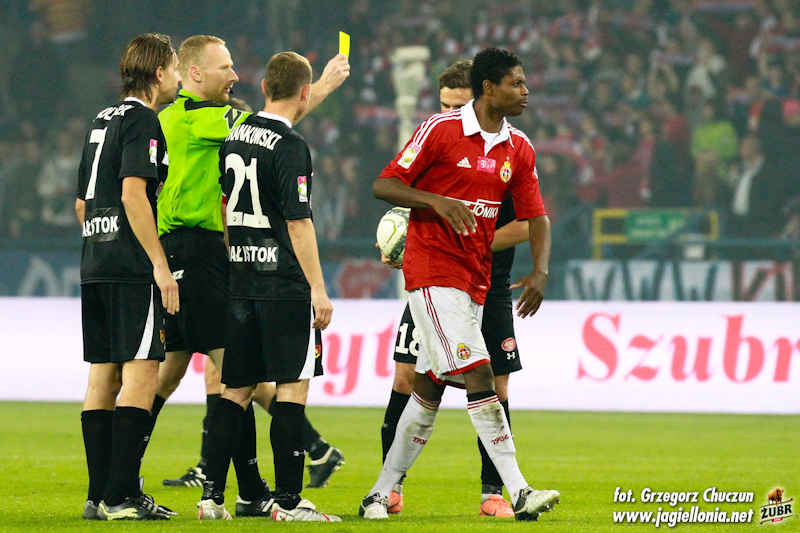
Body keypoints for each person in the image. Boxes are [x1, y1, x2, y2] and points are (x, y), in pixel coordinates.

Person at [136, 35, 348, 516]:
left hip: (200, 256)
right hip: (210, 256)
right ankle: (274, 487)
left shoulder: (171, 119)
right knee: (241, 375)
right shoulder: (208, 120)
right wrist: (323, 86)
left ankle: (207, 488)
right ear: (193, 74)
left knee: (194, 373)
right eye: (225, 67)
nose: (235, 76)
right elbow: (275, 127)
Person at [360, 47, 559, 521]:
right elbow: (384, 185)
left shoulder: (519, 147)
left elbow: (536, 216)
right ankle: (519, 490)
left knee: (429, 389)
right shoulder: (440, 129)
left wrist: (540, 270)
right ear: (489, 88)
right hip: (432, 272)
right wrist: (436, 202)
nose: (525, 91)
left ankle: (379, 494)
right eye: (516, 83)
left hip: (477, 279)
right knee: (480, 374)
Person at [199, 51, 339, 522]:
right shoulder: (291, 145)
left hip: (241, 282)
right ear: (305, 92)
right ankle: (289, 503)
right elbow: (298, 222)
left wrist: (238, 258)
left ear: (263, 87)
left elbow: (225, 209)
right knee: (291, 389)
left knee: (235, 390)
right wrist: (318, 289)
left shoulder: (234, 137)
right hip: (283, 286)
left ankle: (211, 500)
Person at [76, 33, 180, 521]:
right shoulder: (144, 120)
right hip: (130, 265)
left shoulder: (101, 119)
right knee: (142, 370)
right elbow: (133, 194)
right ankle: (121, 495)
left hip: (95, 259)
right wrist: (159, 264)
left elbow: (82, 204)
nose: (177, 78)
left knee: (103, 373)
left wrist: (103, 241)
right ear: (159, 73)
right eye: (174, 69)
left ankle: (98, 496)